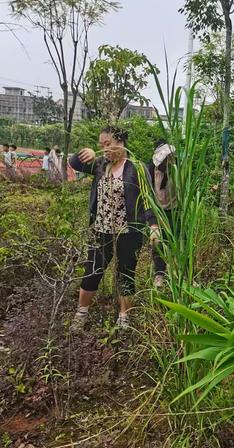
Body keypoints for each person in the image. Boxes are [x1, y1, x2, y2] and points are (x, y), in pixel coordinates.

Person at [69, 126, 158, 331]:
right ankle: (81, 314)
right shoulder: (100, 164)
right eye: (101, 145)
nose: (104, 149)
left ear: (120, 142)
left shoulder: (137, 168)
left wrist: (153, 225)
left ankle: (124, 317)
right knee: (92, 270)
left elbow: (147, 199)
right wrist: (87, 152)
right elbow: (74, 163)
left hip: (129, 232)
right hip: (102, 230)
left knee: (125, 274)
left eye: (107, 144)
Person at [148, 139, 176, 288]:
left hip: (176, 211)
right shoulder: (150, 170)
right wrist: (152, 221)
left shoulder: (179, 169)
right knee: (157, 242)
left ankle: (177, 272)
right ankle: (159, 273)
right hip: (157, 211)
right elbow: (147, 194)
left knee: (177, 242)